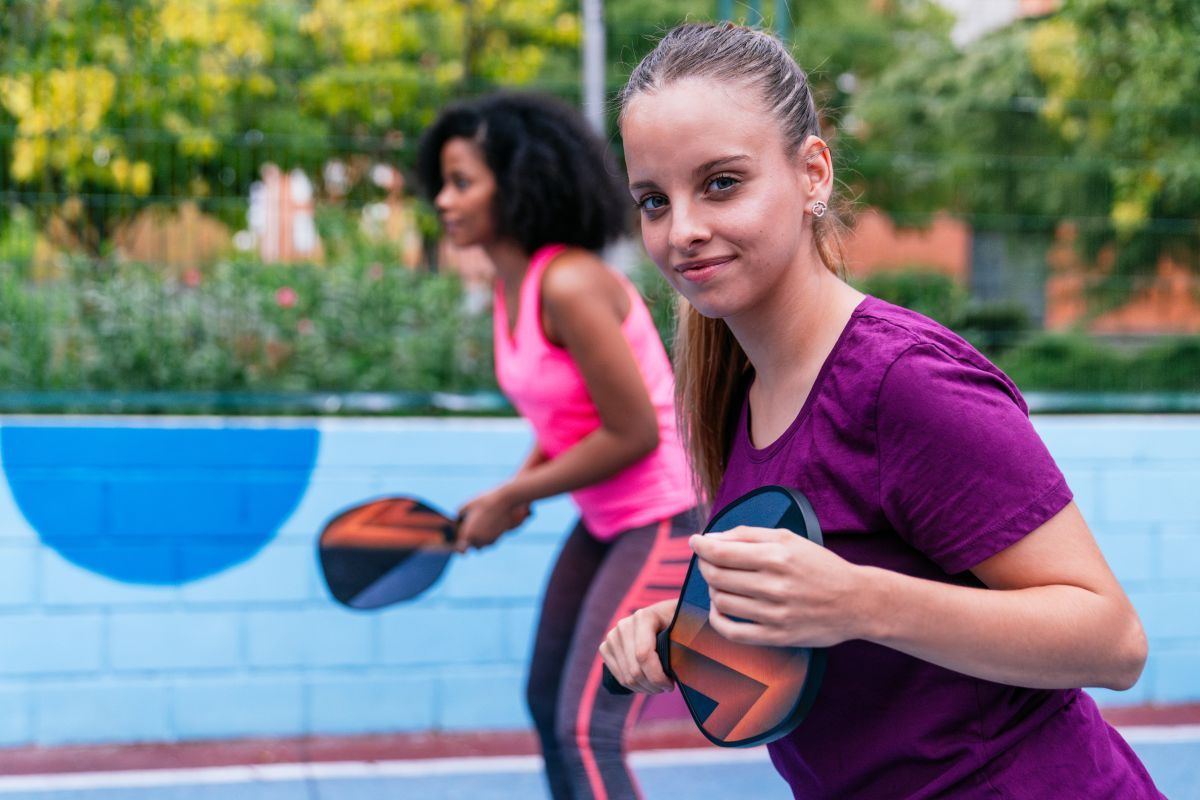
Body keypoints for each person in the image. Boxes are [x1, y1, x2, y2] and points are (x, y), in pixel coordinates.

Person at [599, 21, 1163, 799]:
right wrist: (694, 628)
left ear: (813, 174)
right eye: (654, 200)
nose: (683, 230)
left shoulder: (904, 381)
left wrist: (860, 602)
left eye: (722, 182)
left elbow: (1112, 640)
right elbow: (838, 628)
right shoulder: (738, 387)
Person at [416, 91, 701, 800]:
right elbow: (567, 423)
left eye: (462, 181)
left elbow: (634, 433)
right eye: (442, 183)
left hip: (662, 517)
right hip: (607, 521)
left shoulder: (570, 283)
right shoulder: (513, 291)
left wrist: (514, 494)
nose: (443, 201)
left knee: (585, 728)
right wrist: (512, 493)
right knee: (547, 704)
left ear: (517, 183)